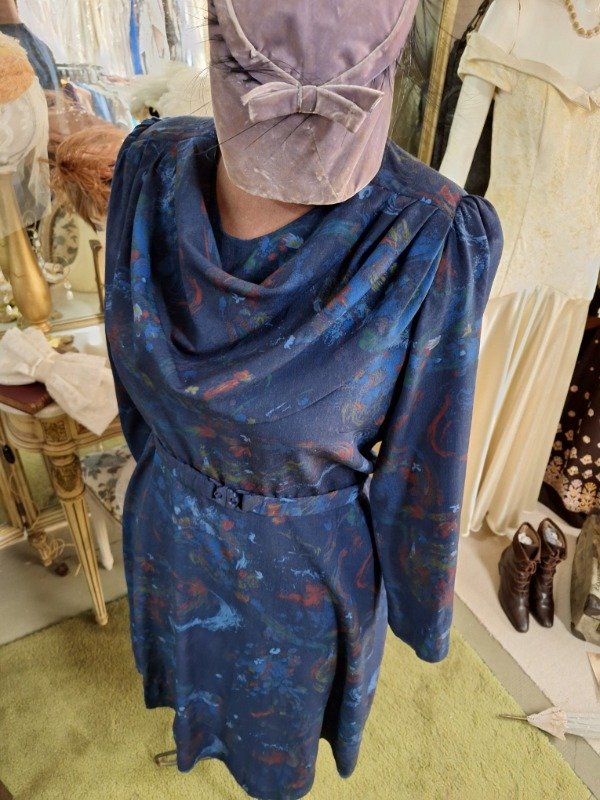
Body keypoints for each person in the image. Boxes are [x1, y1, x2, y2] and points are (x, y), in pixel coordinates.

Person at [104, 1, 503, 798]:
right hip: (168, 528)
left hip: (299, 579)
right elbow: (131, 381)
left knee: (273, 752)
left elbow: (426, 465)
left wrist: (422, 606)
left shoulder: (431, 237)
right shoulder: (147, 167)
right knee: (186, 692)